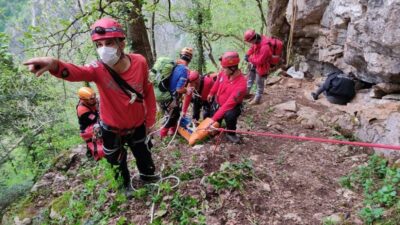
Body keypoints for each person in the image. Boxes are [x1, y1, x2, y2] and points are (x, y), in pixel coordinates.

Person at [24, 17, 158, 195]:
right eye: (99, 45)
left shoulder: (140, 62)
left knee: (143, 152)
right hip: (112, 129)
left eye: (109, 43)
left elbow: (148, 91)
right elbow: (76, 72)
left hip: (138, 124)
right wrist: (54, 65)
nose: (103, 49)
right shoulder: (98, 69)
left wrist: (149, 121)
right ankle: (125, 187)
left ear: (122, 43)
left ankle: (148, 176)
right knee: (116, 160)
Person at [207, 51, 247, 144]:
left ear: (233, 68)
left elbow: (228, 105)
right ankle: (217, 128)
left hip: (231, 106)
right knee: (214, 116)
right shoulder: (224, 73)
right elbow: (217, 83)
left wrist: (213, 119)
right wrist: (211, 93)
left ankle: (231, 133)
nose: (222, 69)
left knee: (230, 115)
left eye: (224, 68)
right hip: (218, 101)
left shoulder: (241, 85)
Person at [159, 47, 192, 138]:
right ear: (190, 59)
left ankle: (172, 131)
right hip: (171, 97)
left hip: (164, 94)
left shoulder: (175, 66)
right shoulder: (184, 70)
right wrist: (187, 90)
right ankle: (163, 134)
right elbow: (179, 89)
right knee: (174, 116)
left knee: (173, 115)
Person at [244, 29, 272, 105]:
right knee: (250, 78)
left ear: (253, 38)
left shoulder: (265, 47)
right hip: (254, 62)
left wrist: (249, 59)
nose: (250, 43)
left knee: (259, 83)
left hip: (262, 66)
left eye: (250, 41)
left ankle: (257, 99)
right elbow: (253, 47)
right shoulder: (258, 40)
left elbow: (260, 61)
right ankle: (246, 93)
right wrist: (248, 54)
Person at [76, 87, 104, 160]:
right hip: (87, 129)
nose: (94, 99)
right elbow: (96, 118)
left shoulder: (92, 100)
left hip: (94, 122)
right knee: (103, 126)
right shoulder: (82, 110)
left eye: (94, 96)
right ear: (83, 100)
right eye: (91, 99)